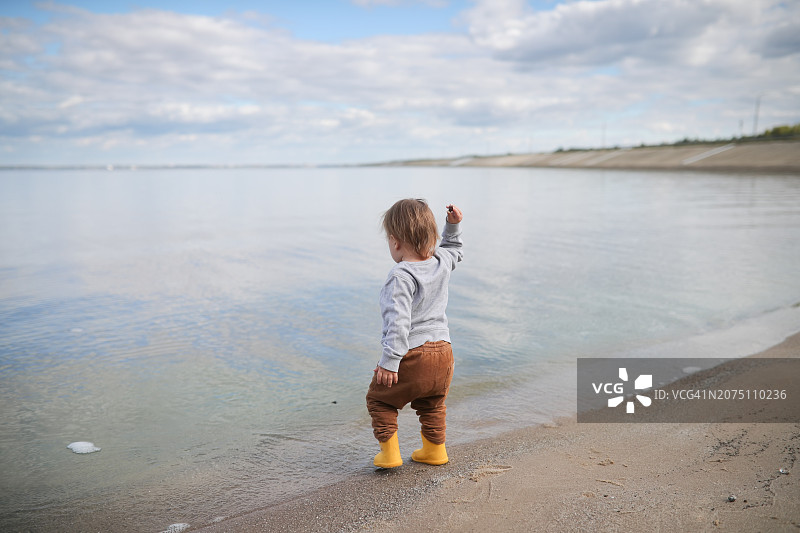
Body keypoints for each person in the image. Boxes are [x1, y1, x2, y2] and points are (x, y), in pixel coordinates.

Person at [366, 198, 463, 468]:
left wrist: (390, 361)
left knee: (380, 400)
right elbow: (454, 249)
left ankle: (390, 455)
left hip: (414, 352)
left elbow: (398, 322)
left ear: (395, 242)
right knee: (433, 403)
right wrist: (453, 227)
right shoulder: (441, 262)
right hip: (444, 352)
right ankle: (434, 451)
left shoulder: (400, 275)